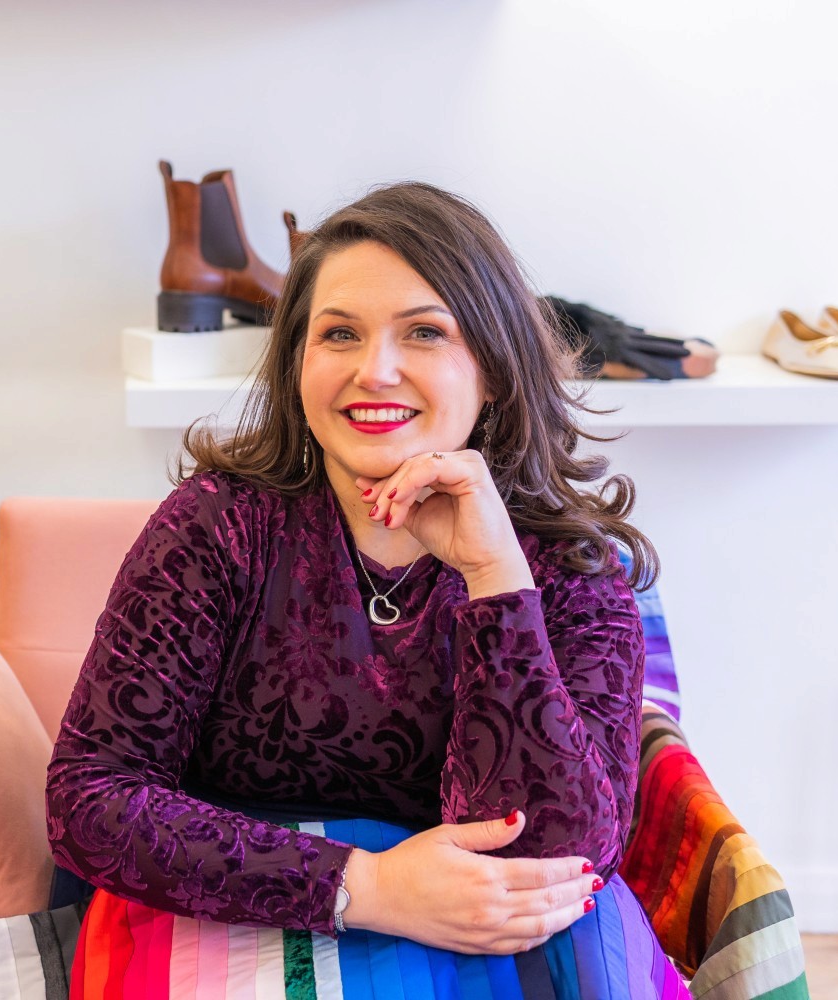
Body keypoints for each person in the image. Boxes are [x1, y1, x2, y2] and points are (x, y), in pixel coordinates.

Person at [46, 183, 667, 966]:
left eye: (424, 333)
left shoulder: (571, 567)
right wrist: (366, 888)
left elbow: (559, 861)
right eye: (339, 333)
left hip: (482, 949)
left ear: (495, 369)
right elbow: (89, 798)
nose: (375, 371)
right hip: (232, 932)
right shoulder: (217, 527)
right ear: (297, 363)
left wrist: (494, 578)